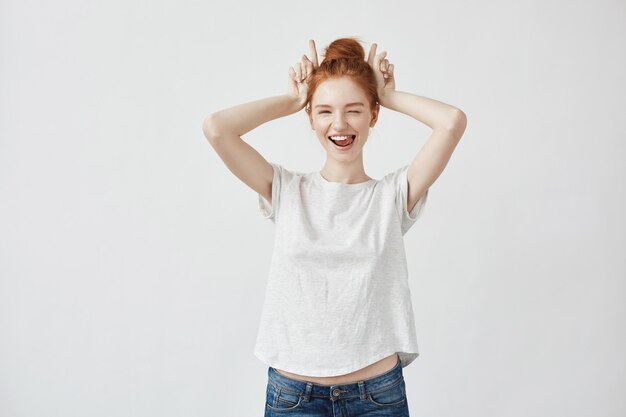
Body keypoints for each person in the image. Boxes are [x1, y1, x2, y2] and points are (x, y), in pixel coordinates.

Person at [203, 37, 466, 417]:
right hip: (293, 396)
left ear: (373, 115)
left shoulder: (392, 196)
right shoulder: (287, 191)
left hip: (376, 396)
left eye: (354, 110)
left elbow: (452, 122)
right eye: (324, 111)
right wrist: (294, 99)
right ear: (310, 118)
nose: (339, 124)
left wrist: (387, 94)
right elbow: (216, 128)